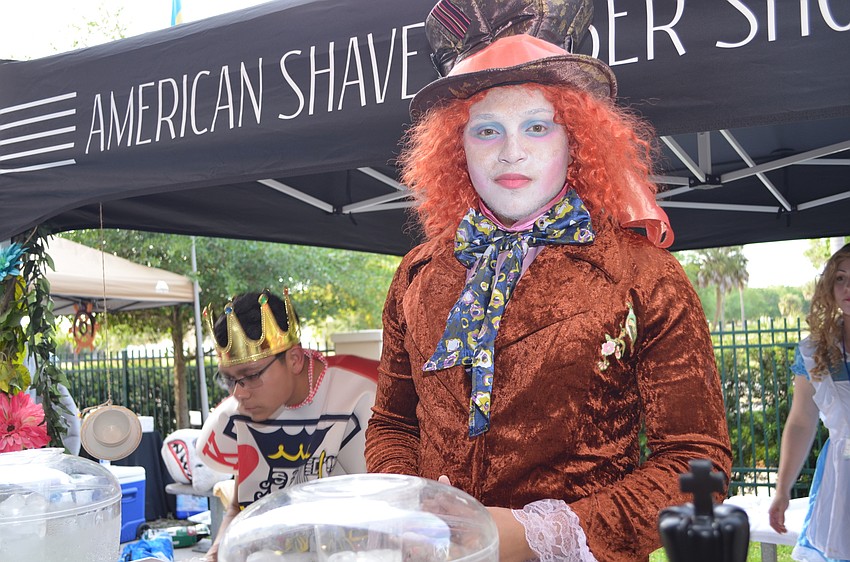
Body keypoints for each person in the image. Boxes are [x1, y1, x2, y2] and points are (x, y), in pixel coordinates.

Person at [364, 0, 732, 560]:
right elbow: (392, 423)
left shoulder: (645, 277)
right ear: (455, 148)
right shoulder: (418, 274)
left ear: (577, 139)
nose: (512, 151)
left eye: (537, 126)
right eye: (487, 130)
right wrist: (417, 506)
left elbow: (694, 462)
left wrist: (536, 537)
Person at [196, 289, 378, 561]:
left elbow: (393, 506)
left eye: (250, 376)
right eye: (230, 380)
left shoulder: (363, 393)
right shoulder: (239, 412)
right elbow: (239, 506)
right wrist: (215, 552)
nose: (239, 394)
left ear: (293, 359)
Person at [768, 243, 850, 561]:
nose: (847, 288)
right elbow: (802, 420)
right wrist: (782, 490)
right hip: (840, 480)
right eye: (841, 277)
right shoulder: (814, 350)